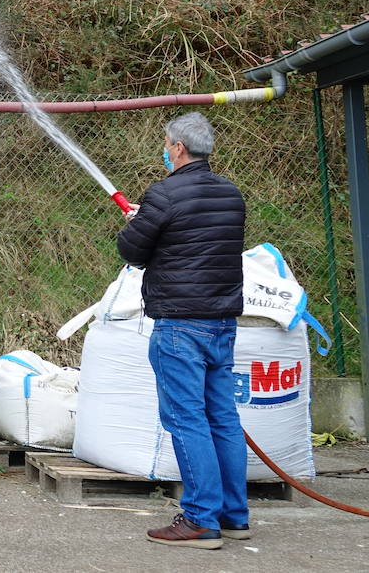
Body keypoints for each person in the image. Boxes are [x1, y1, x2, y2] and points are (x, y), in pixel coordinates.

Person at [117, 112, 248, 550]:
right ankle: (234, 516)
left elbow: (132, 250)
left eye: (166, 143)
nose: (165, 149)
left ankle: (199, 520)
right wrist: (150, 222)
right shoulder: (231, 194)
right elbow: (195, 240)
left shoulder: (164, 194)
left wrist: (138, 222)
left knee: (187, 419)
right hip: (222, 323)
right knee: (223, 418)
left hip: (180, 325)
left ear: (177, 148)